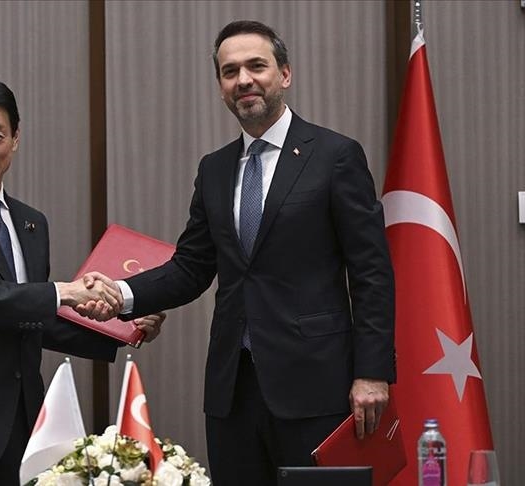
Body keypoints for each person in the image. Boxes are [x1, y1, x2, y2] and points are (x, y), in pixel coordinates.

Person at [81, 20, 395, 484]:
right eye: (230, 72)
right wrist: (120, 294)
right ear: (221, 87)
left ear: (284, 74)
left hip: (316, 386)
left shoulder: (335, 155)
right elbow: (191, 267)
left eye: (256, 66)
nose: (243, 80)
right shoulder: (214, 168)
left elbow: (371, 272)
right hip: (233, 391)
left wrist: (372, 372)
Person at [0, 78, 164, 486]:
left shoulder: (31, 222)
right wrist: (64, 291)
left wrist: (125, 328)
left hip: (20, 425)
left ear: (15, 138)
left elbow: (32, 317)